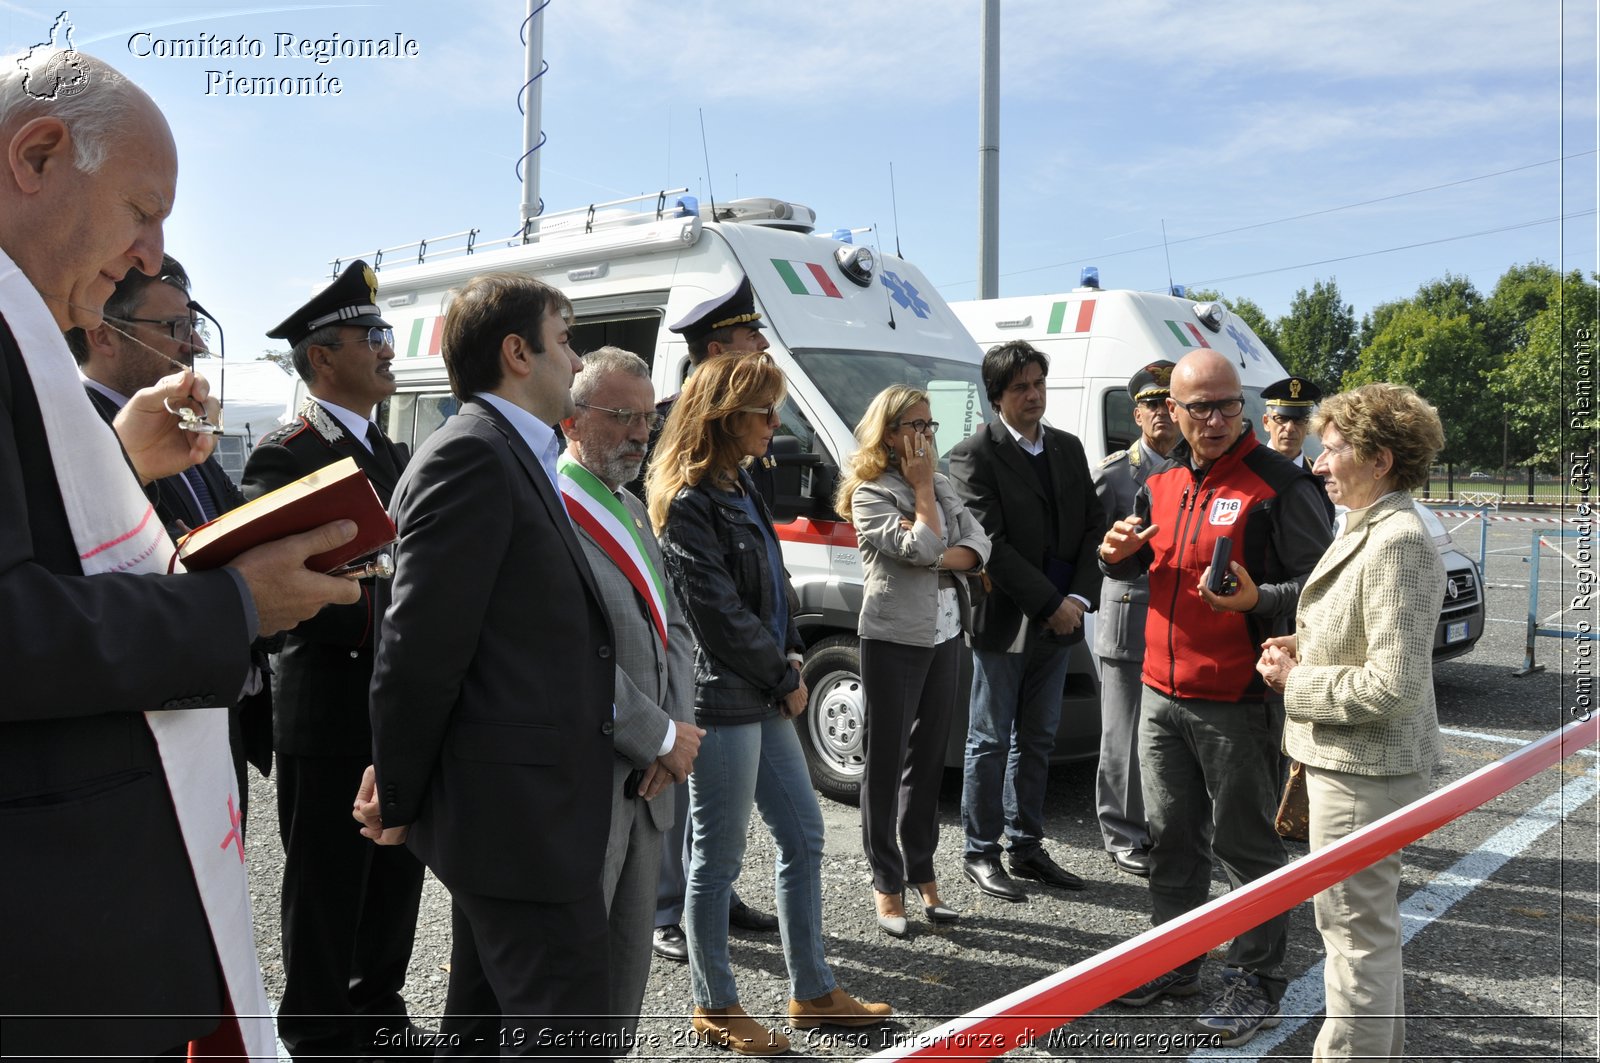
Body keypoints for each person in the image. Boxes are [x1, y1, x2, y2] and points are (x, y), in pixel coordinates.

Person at [0, 47, 356, 1059]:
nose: (153, 257)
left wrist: (120, 456)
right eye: (141, 211)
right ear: (36, 155)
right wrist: (237, 605)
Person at [358, 272, 616, 1058]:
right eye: (565, 338)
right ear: (516, 351)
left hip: (522, 813)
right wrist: (398, 788)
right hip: (517, 821)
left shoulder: (514, 451)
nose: (575, 360)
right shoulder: (471, 455)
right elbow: (418, 647)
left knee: (477, 1029)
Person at [648, 352, 891, 1054]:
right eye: (763, 411)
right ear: (724, 418)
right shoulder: (689, 498)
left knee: (804, 836)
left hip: (761, 687)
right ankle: (714, 1003)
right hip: (723, 700)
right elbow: (716, 614)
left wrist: (789, 652)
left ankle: (812, 991)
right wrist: (783, 676)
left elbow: (776, 585)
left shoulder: (742, 483)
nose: (774, 424)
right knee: (717, 864)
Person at [1098, 348, 1332, 1047]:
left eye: (1229, 404)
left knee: (1245, 844)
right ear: (1171, 410)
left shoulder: (1280, 485)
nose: (1216, 419)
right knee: (1170, 839)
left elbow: (1323, 592)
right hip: (1160, 693)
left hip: (1237, 699)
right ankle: (1173, 961)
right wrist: (1117, 554)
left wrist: (1262, 600)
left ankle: (1255, 977)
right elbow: (1150, 560)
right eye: (1199, 407)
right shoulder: (1162, 482)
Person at [244, 260, 427, 1060]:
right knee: (326, 884)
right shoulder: (287, 457)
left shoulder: (394, 453)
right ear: (322, 358)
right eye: (372, 337)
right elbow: (289, 594)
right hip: (328, 704)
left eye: (386, 335)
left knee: (396, 873)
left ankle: (379, 1012)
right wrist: (386, 599)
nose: (388, 350)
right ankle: (318, 1033)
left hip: (397, 705)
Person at [1256, 384, 1446, 1061]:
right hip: (1352, 768)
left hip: (1363, 774)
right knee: (1364, 939)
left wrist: (1293, 681)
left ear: (1380, 459)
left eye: (1333, 449)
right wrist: (1304, 645)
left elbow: (1392, 684)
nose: (1319, 462)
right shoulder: (1370, 526)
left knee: (1355, 944)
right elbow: (1364, 636)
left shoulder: (1396, 539)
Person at [68, 253, 274, 833]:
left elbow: (227, 528)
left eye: (195, 326)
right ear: (103, 334)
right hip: (140, 728)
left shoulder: (185, 421)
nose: (194, 346)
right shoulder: (74, 432)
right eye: (175, 328)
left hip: (216, 705)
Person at [559, 345, 704, 1045]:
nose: (641, 434)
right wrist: (661, 738)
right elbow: (569, 656)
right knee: (573, 990)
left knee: (626, 986)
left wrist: (676, 732)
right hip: (591, 788)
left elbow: (672, 624)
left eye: (647, 418)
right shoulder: (554, 508)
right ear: (572, 419)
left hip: (652, 784)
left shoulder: (633, 506)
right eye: (621, 417)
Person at [650, 274, 781, 961]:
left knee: (719, 796)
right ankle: (667, 907)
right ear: (713, 348)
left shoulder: (747, 421)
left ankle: (713, 891)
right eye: (747, 335)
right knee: (679, 771)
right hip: (683, 633)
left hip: (731, 640)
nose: (761, 343)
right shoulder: (669, 418)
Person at [948, 340, 1103, 902]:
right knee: (989, 738)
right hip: (1009, 620)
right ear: (996, 398)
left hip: (1064, 619)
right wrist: (1051, 604)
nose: (1033, 395)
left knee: (1038, 737)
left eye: (1038, 383)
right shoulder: (974, 455)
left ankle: (1027, 845)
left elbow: (1093, 526)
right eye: (1020, 387)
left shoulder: (1066, 447)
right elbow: (993, 544)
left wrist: (1080, 601)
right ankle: (981, 852)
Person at [835, 384, 990, 936]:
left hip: (946, 633)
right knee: (885, 762)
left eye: (931, 426)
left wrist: (940, 545)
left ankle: (923, 873)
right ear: (890, 432)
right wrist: (924, 497)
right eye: (916, 426)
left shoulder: (942, 483)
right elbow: (926, 549)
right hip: (894, 637)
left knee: (927, 763)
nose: (926, 436)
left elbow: (978, 545)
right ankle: (886, 884)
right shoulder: (871, 493)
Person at [1089, 360, 1178, 877]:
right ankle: (1122, 831)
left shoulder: (1193, 467)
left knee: (1166, 734)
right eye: (1150, 403)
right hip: (1127, 617)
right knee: (1121, 732)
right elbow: (1091, 548)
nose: (1160, 412)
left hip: (1178, 621)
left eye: (1169, 402)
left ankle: (1162, 827)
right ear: (1136, 414)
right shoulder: (1114, 473)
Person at [1259, 375, 1323, 466]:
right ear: (1266, 422)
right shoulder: (1246, 471)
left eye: (1299, 420)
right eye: (1281, 419)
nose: (1290, 428)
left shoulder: (1318, 478)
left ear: (1308, 424)